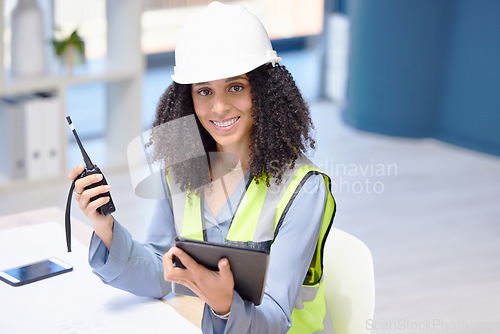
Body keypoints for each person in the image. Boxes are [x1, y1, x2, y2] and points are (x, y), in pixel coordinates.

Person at [68, 2, 336, 333]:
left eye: (235, 87)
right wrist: (105, 229)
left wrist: (224, 305)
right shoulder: (184, 163)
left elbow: (276, 317)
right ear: (187, 98)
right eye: (204, 91)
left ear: (264, 90)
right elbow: (162, 270)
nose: (219, 107)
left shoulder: (304, 188)